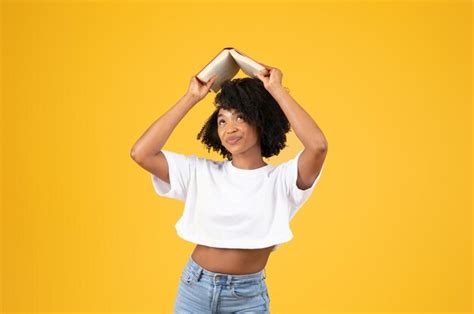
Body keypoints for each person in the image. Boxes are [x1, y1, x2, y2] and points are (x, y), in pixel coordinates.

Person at [130, 65, 328, 313]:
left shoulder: (282, 179)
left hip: (247, 298)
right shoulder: (200, 172)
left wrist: (276, 89)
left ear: (260, 121)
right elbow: (141, 153)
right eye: (222, 120)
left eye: (240, 117)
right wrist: (191, 97)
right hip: (195, 289)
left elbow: (317, 146)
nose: (229, 128)